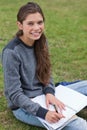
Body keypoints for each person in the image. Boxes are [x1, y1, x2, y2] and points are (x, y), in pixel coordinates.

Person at [2, 2, 87, 130]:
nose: (36, 28)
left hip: (48, 95)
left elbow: (46, 72)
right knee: (80, 125)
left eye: (40, 22)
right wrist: (44, 113)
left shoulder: (41, 41)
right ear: (20, 25)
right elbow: (14, 94)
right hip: (26, 106)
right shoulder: (11, 52)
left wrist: (49, 92)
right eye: (30, 23)